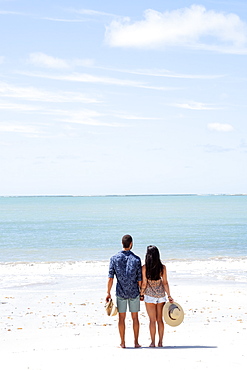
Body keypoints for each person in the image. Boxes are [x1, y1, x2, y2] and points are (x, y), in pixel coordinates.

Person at [106, 234, 142, 348]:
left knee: (121, 318)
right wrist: (141, 292)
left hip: (120, 292)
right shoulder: (136, 259)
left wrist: (108, 292)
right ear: (131, 244)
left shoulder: (114, 258)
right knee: (135, 318)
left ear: (122, 244)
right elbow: (139, 279)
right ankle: (136, 343)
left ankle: (123, 343)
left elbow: (110, 278)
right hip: (134, 292)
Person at [140, 245, 174, 347]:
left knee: (152, 320)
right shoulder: (162, 267)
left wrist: (141, 294)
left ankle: (152, 342)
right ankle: (160, 342)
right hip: (161, 296)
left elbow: (144, 283)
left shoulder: (145, 267)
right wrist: (169, 295)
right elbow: (165, 283)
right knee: (160, 320)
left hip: (149, 296)